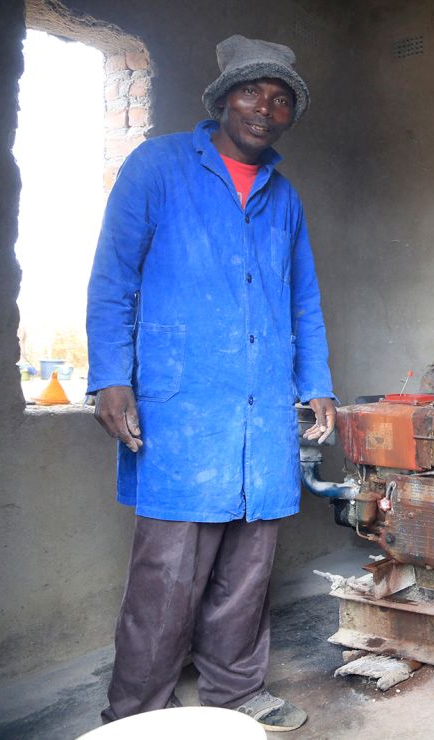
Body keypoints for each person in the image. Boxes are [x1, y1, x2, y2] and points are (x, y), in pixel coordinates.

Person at [86, 34, 336, 732]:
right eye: (254, 90)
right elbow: (113, 280)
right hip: (183, 410)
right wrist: (110, 376)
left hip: (263, 414)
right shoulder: (159, 167)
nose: (267, 106)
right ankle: (135, 714)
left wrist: (317, 385)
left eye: (282, 98)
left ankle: (236, 696)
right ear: (224, 98)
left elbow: (303, 301)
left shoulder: (284, 199)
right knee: (167, 578)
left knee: (247, 572)